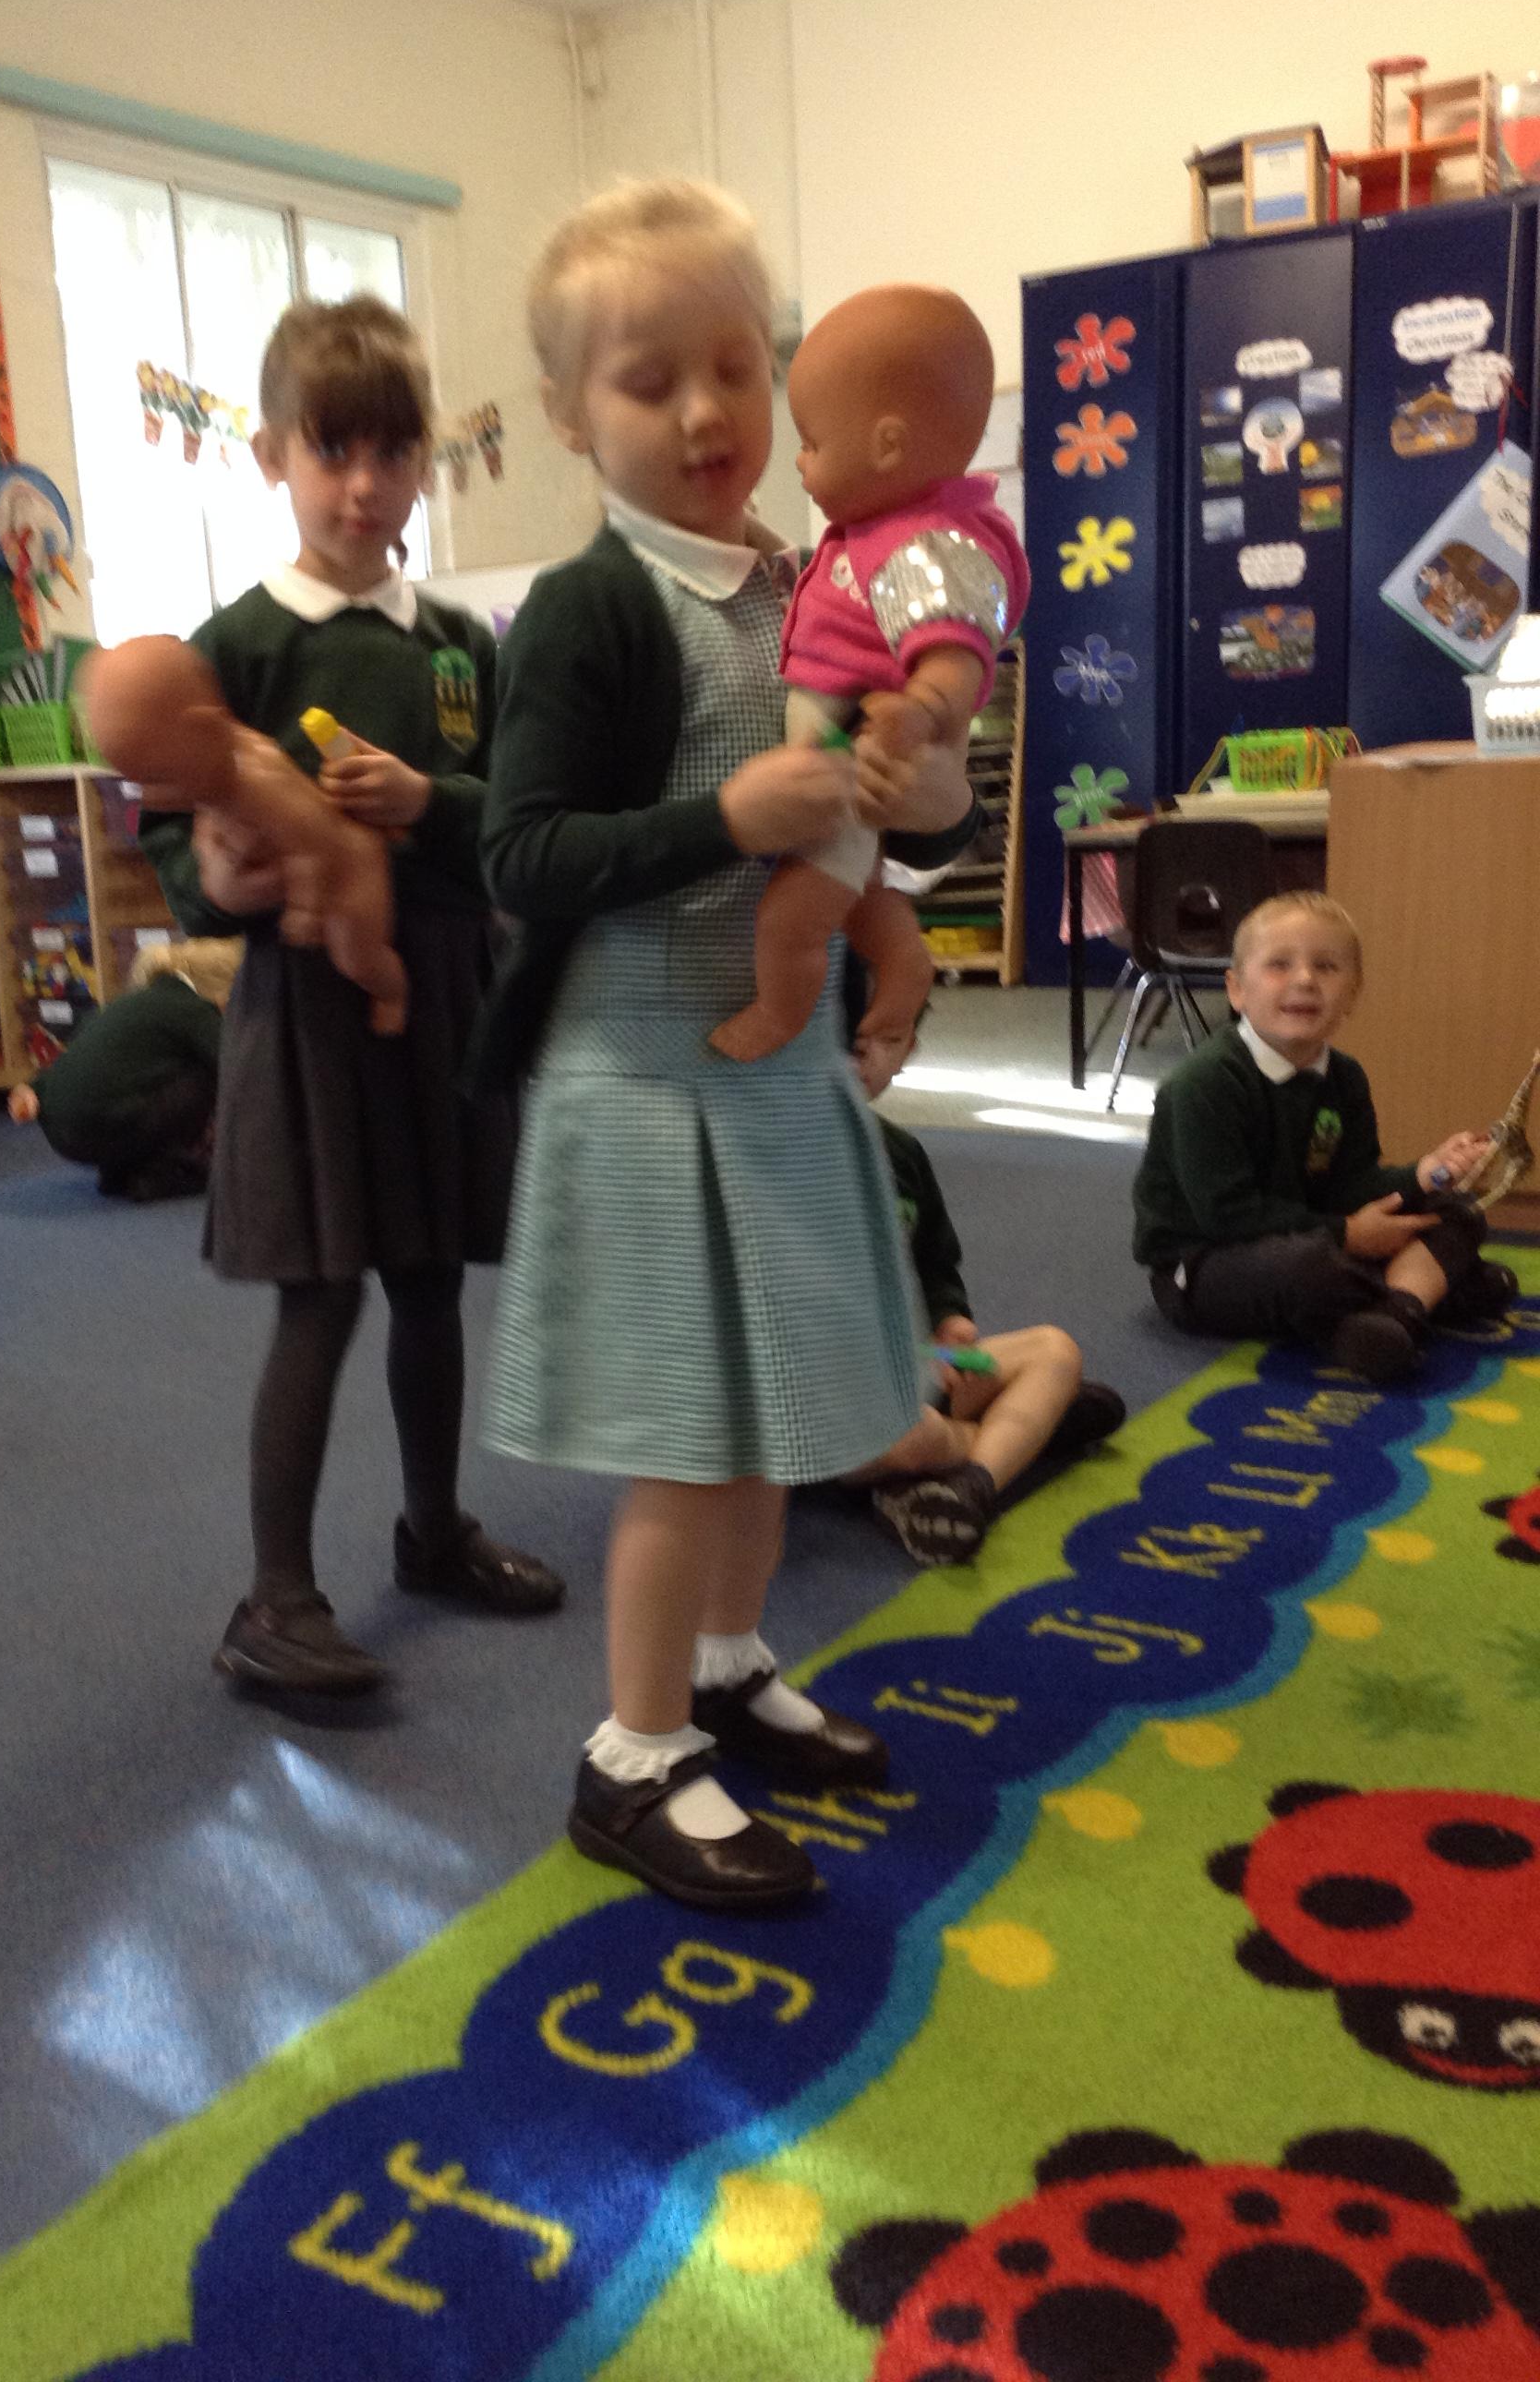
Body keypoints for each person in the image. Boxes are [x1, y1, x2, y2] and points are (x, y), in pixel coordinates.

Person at [470, 179, 981, 1913]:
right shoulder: (593, 608)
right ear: (568, 414)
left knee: (780, 1408)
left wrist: (927, 799)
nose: (703, 412)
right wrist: (719, 819)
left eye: (733, 370)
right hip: (642, 1085)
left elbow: (889, 817)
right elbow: (521, 853)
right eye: (646, 382)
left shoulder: (815, 577)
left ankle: (726, 1665)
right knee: (689, 1438)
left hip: (776, 1078)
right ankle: (631, 1758)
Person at [138, 294, 564, 1700]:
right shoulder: (235, 644)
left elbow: (513, 818)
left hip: (443, 988)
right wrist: (222, 878)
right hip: (307, 1006)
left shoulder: (456, 642)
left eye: (392, 453)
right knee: (318, 1301)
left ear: (426, 462)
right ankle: (274, 1598)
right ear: (273, 457)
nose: (364, 485)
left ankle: (433, 1532)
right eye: (333, 452)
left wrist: (428, 801)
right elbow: (172, 836)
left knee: (430, 1280)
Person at [712, 283, 1027, 1067]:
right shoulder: (874, 533)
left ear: (887, 446)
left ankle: (780, 1012)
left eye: (812, 441)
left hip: (853, 754)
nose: (799, 460)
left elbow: (956, 654)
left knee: (792, 916)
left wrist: (922, 710)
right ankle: (904, 961)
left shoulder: (925, 546)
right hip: (839, 760)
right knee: (856, 894)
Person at [1134, 891, 1518, 1382]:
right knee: (1306, 1265)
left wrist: (1424, 1175)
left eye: (1326, 966)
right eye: (1279, 965)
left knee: (1456, 1212)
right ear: (1237, 990)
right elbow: (1226, 1215)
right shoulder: (1203, 1083)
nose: (1304, 980)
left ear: (1353, 994)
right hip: (1206, 1262)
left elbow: (1352, 1184)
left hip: (1315, 1230)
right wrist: (1348, 1235)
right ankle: (1426, 1292)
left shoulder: (1345, 1078)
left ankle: (1396, 1312)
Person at [839, 1028, 1125, 1560]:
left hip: (908, 1371)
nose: (861, 1049)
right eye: (846, 1029)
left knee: (1054, 1350)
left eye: (886, 1036)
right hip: (818, 1405)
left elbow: (935, 1266)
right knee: (914, 1436)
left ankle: (969, 1484)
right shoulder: (767, 1157)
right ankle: (1019, 1435)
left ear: (908, 1052)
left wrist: (949, 1325)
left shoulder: (900, 1152)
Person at [6, 937, 240, 1201]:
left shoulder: (131, 1002)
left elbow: (78, 1060)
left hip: (62, 1130)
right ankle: (160, 1174)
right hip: (101, 1126)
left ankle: (119, 1171)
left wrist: (33, 1088)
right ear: (224, 991)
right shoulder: (193, 1009)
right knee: (204, 1077)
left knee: (141, 1083)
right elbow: (236, 1069)